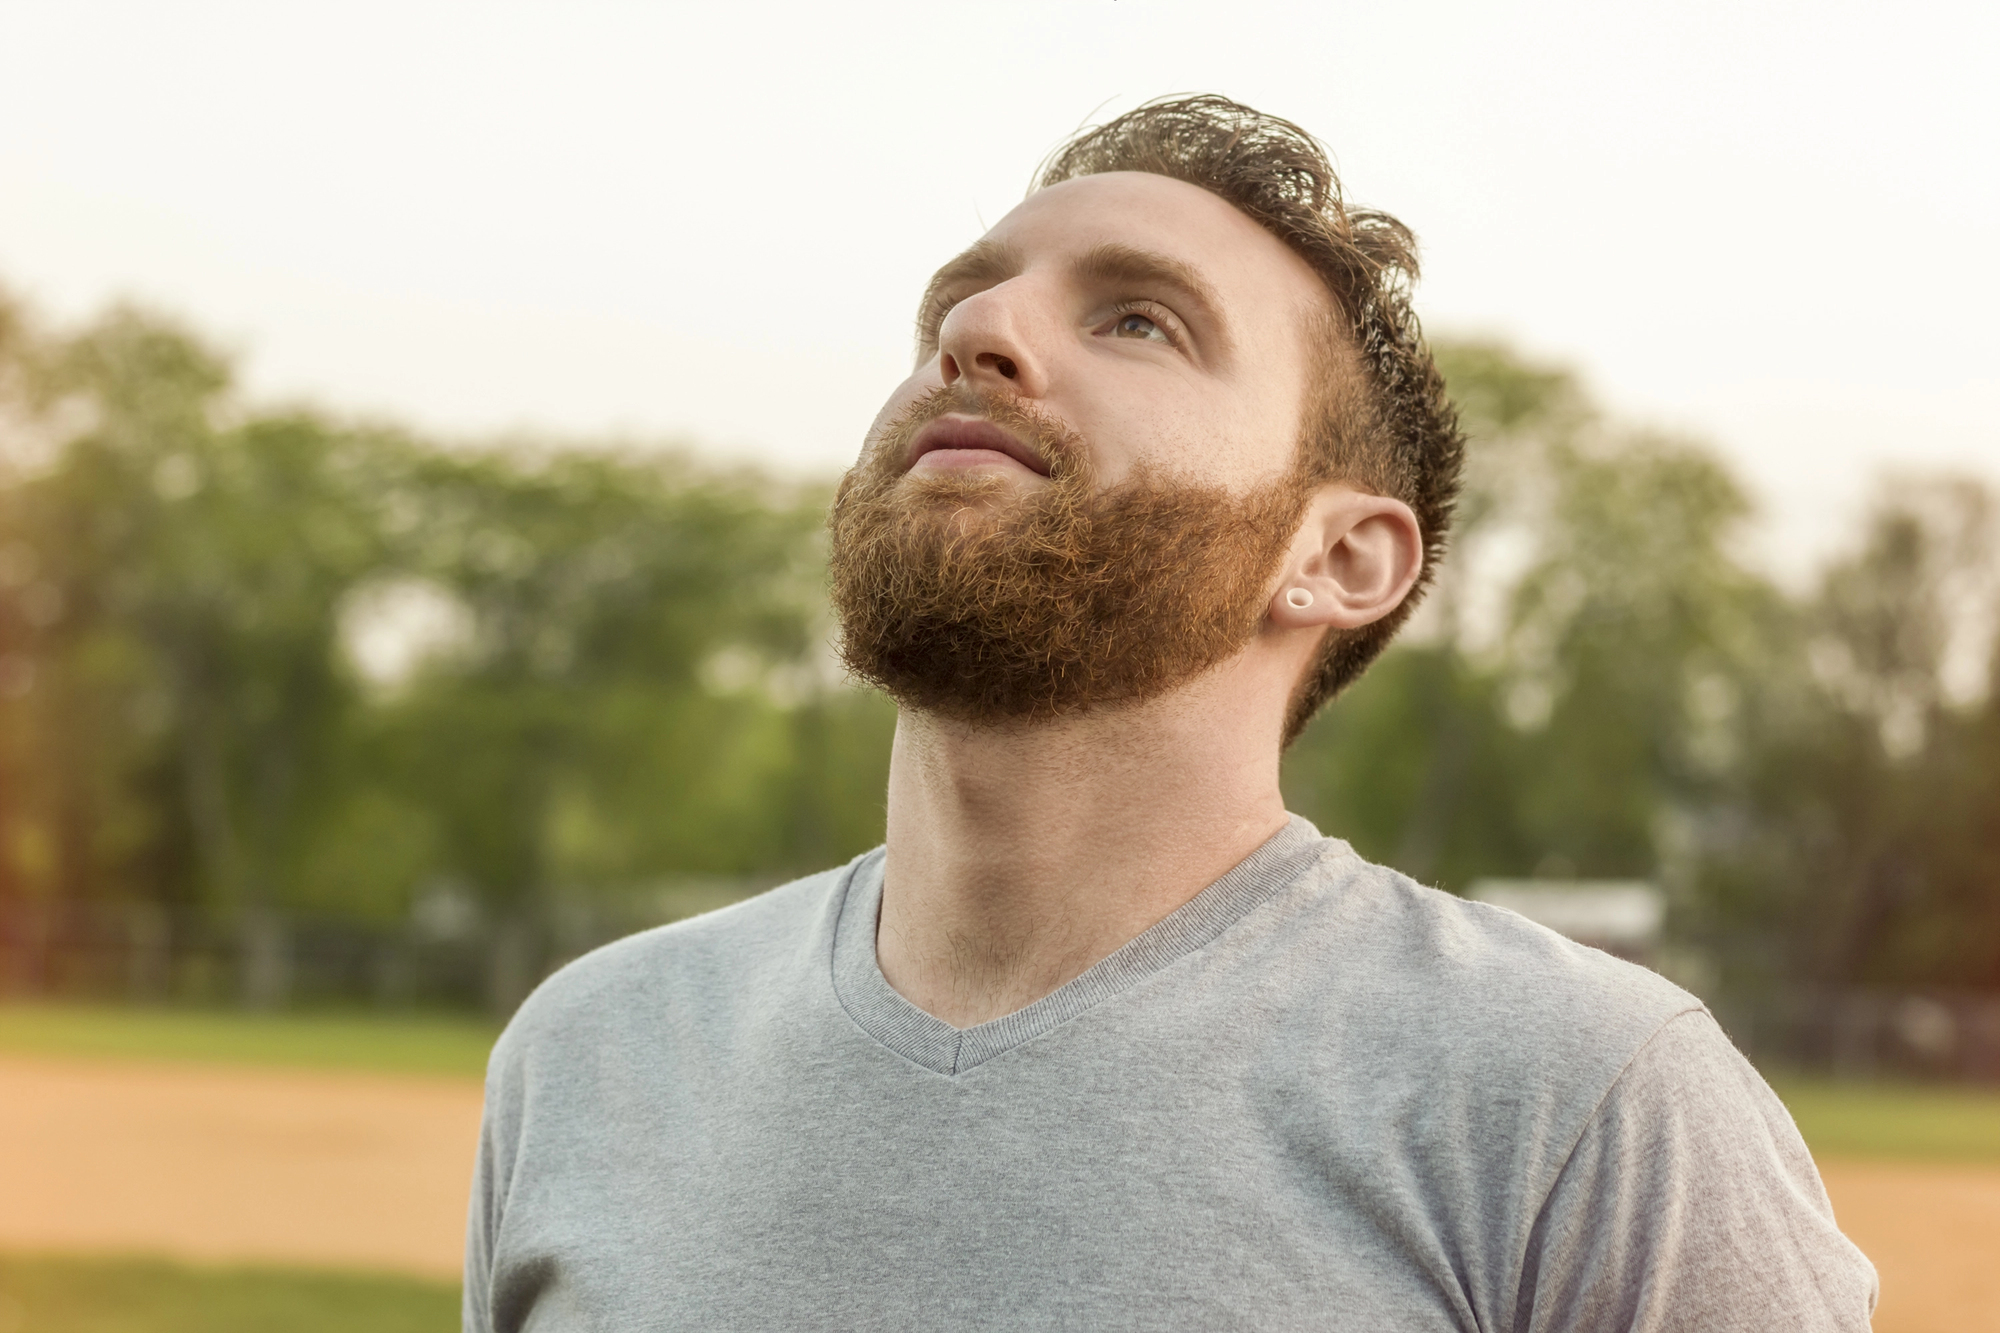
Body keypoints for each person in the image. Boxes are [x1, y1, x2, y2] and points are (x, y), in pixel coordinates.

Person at [463, 96, 1876, 1331]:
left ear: (1335, 558)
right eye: (955, 304)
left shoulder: (1582, 1105)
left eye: (1138, 318)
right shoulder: (590, 1054)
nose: (978, 332)